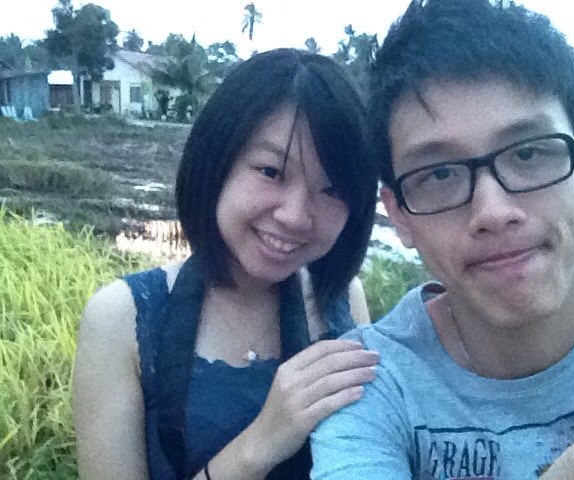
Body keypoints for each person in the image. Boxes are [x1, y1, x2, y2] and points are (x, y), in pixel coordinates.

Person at [310, 1, 574, 479]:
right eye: (440, 173)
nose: (493, 212)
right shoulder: (370, 386)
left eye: (527, 154)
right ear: (399, 215)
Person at [73, 48, 380, 480]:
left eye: (332, 190)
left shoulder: (344, 301)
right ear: (217, 163)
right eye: (271, 171)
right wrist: (259, 445)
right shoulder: (121, 317)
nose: (295, 216)